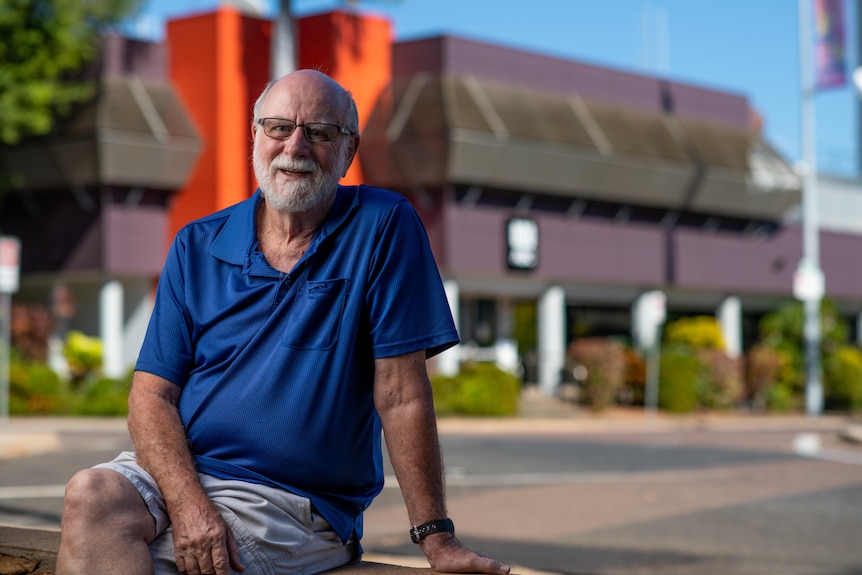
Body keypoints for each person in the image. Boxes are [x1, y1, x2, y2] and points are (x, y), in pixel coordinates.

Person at [56, 69, 510, 575]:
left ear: (348, 151)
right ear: (255, 136)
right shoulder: (197, 243)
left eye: (319, 132)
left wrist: (436, 538)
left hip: (291, 504)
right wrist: (188, 503)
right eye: (278, 128)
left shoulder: (383, 224)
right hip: (180, 474)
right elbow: (151, 394)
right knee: (90, 493)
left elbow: (401, 394)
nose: (295, 146)